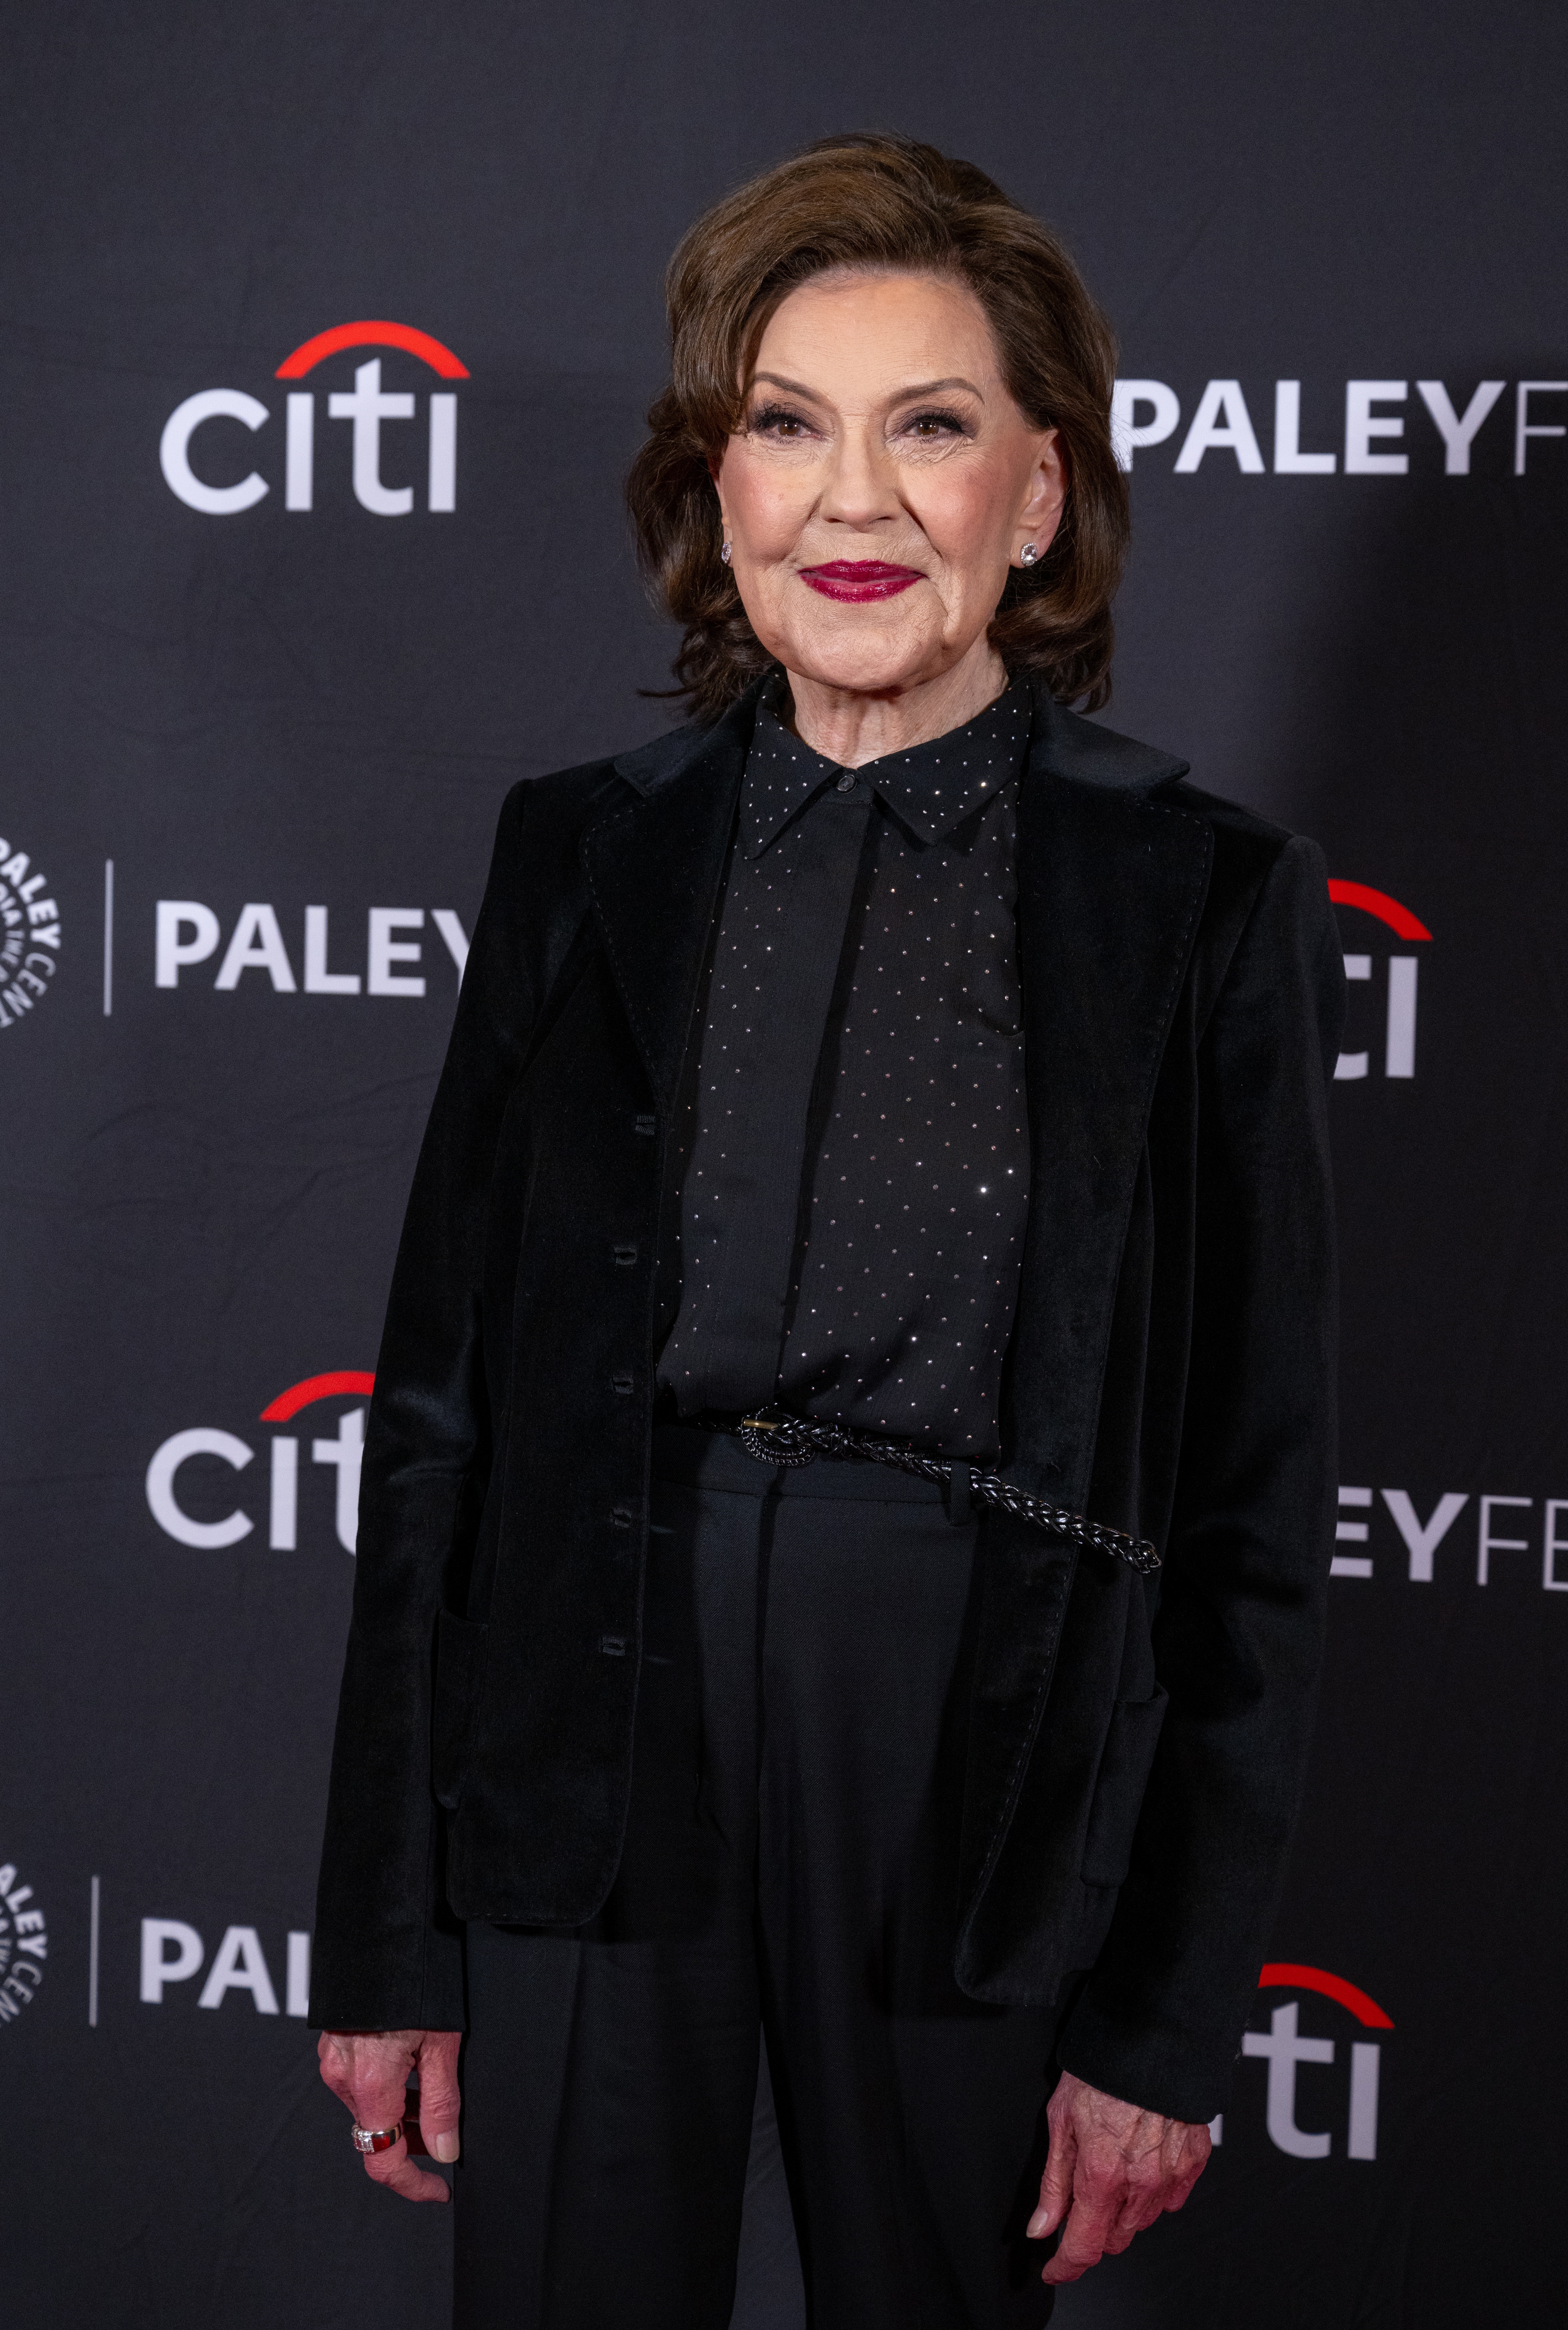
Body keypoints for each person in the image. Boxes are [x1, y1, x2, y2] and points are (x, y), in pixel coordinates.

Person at [311, 133, 1344, 2330]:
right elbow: (438, 1422)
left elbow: (1254, 1505)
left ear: (1038, 499)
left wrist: (1163, 2021)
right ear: (720, 492)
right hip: (599, 1691)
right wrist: (391, 1928)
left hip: (977, 1730)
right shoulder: (578, 854)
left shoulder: (1199, 898)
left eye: (932, 427)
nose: (852, 501)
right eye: (788, 426)